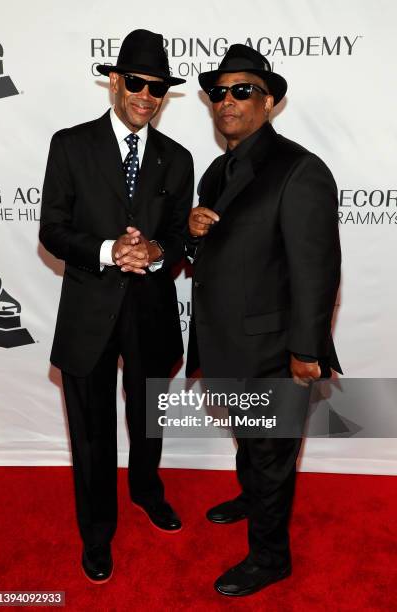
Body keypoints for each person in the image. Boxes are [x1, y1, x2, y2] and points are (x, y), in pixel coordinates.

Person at [187, 44, 341, 597]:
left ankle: (271, 557)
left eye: (242, 90)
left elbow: (315, 271)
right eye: (218, 92)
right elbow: (215, 247)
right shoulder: (216, 169)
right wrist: (192, 232)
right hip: (226, 343)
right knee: (251, 443)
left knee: (273, 453)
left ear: (269, 101)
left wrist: (307, 351)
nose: (226, 101)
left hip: (276, 349)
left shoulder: (299, 170)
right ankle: (250, 498)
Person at [40, 29, 194, 583]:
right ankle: (97, 532)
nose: (145, 95)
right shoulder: (71, 144)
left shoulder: (178, 159)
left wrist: (154, 252)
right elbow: (53, 230)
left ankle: (148, 491)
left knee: (148, 419)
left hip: (151, 312)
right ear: (114, 81)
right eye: (136, 82)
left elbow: (180, 239)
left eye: (157, 87)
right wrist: (109, 250)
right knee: (92, 431)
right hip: (89, 314)